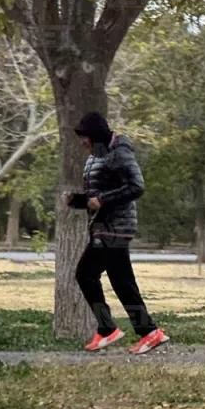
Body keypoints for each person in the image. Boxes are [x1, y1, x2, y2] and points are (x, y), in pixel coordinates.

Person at [65, 111, 169, 354]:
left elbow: (136, 187)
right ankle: (148, 332)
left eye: (85, 137)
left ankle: (107, 328)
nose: (82, 142)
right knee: (123, 283)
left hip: (115, 229)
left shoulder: (119, 152)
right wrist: (78, 201)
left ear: (96, 136)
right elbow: (97, 197)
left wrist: (102, 199)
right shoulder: (96, 157)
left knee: (85, 274)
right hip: (105, 227)